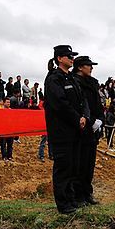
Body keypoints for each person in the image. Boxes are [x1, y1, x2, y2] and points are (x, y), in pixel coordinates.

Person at [44, 45, 89, 214]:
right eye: (69, 56)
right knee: (63, 167)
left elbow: (82, 100)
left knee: (73, 166)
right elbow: (60, 104)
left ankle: (72, 199)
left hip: (76, 129)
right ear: (59, 58)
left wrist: (84, 116)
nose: (72, 59)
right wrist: (77, 118)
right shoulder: (53, 79)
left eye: (72, 56)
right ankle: (63, 204)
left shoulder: (71, 78)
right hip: (61, 131)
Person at [72, 56, 103, 205]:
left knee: (90, 163)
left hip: (94, 129)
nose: (91, 68)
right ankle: (78, 195)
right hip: (82, 128)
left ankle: (87, 193)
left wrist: (100, 120)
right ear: (80, 67)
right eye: (88, 65)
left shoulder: (93, 83)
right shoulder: (74, 82)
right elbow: (80, 106)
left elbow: (97, 104)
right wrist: (90, 121)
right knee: (80, 163)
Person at [0, 97, 14, 162]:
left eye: (9, 102)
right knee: (3, 144)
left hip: (10, 130)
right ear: (4, 103)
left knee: (10, 144)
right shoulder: (1, 110)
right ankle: (4, 156)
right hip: (3, 130)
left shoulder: (11, 110)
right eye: (7, 102)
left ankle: (9, 156)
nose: (8, 103)